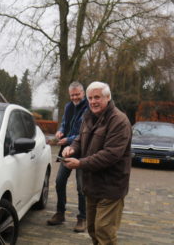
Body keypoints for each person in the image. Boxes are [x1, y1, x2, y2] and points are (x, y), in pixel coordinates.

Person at [62, 81, 132, 245]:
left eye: (97, 97)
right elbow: (80, 138)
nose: (93, 101)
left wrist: (80, 164)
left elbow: (110, 154)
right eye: (91, 98)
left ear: (108, 97)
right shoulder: (88, 116)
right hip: (92, 185)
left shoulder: (119, 121)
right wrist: (72, 148)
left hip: (111, 187)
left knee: (104, 233)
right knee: (93, 230)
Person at [47, 81, 88, 232]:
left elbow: (86, 132)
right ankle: (60, 213)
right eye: (72, 95)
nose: (75, 97)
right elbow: (64, 124)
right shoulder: (68, 106)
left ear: (83, 93)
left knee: (81, 186)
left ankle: (82, 218)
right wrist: (60, 131)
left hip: (83, 151)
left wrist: (69, 140)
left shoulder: (89, 107)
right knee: (59, 181)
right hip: (66, 151)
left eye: (77, 94)